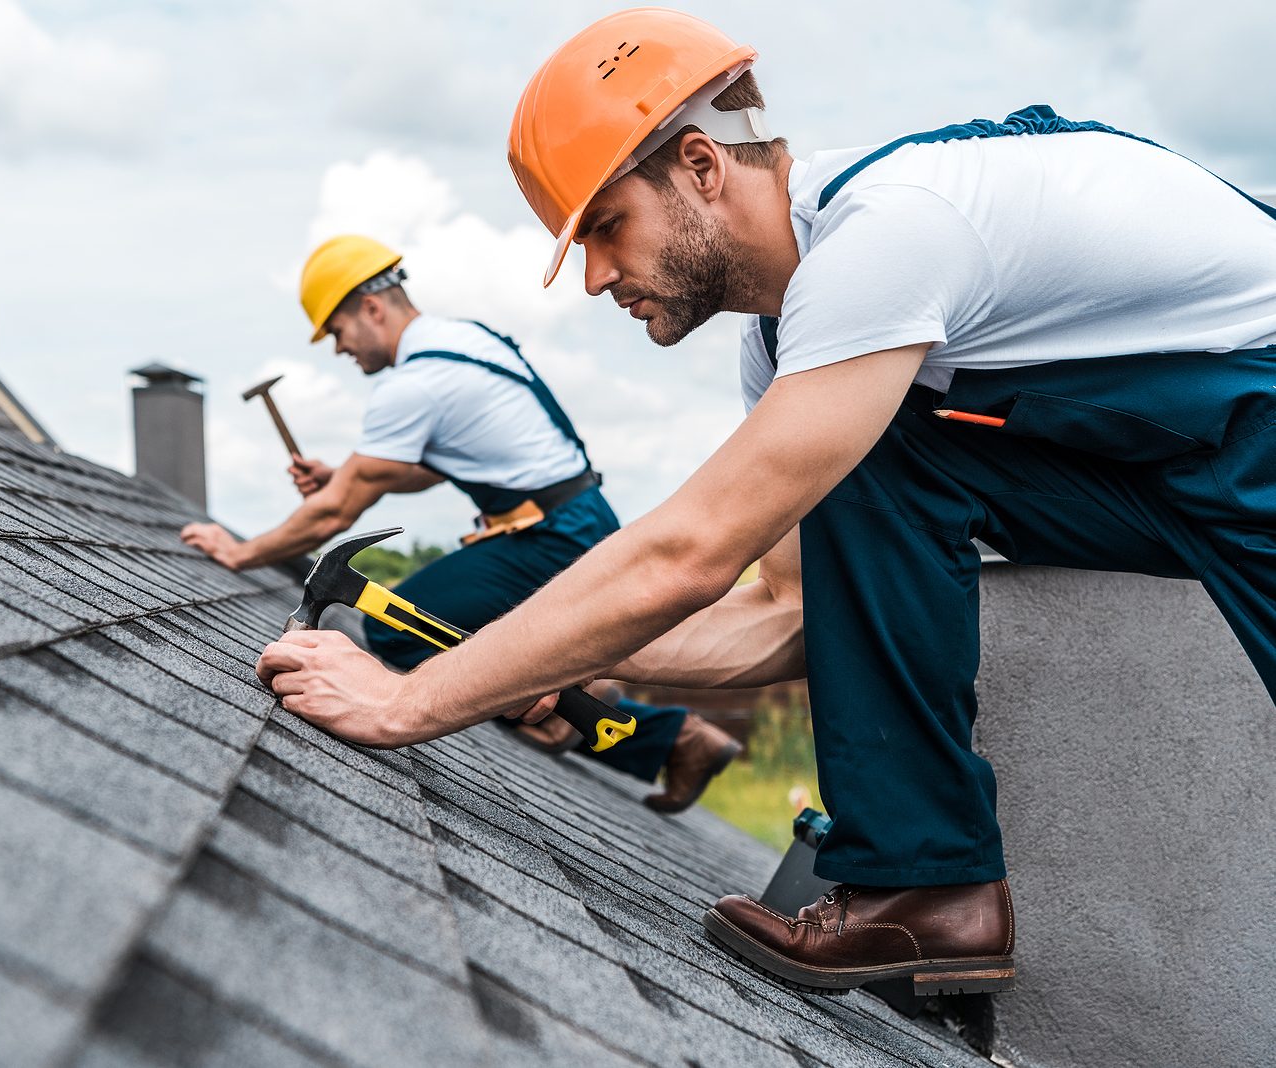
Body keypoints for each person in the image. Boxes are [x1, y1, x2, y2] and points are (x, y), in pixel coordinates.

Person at [256, 8, 1276, 997]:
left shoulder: (887, 235)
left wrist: (409, 698)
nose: (598, 278)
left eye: (608, 227)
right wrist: (580, 658)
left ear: (701, 166)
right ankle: (930, 887)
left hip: (1249, 422)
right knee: (877, 453)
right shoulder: (797, 348)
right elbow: (788, 615)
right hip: (1170, 462)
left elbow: (688, 555)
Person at [182, 233, 745, 811]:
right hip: (573, 521)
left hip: (549, 537)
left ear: (371, 308)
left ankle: (637, 729)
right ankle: (653, 733)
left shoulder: (415, 382)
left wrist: (240, 551)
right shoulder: (464, 341)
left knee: (391, 633)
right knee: (497, 653)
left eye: (337, 331)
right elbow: (423, 470)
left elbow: (336, 511)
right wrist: (345, 474)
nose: (339, 349)